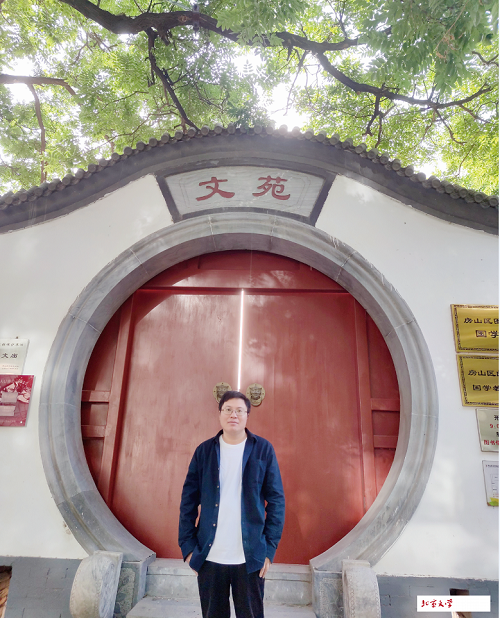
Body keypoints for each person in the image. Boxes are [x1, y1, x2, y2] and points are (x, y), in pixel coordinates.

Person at [179, 390, 285, 618]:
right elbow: (188, 500)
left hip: (250, 557)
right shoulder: (204, 451)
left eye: (239, 410)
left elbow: (276, 500)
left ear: (247, 415)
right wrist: (187, 547)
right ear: (220, 414)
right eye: (228, 409)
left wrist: (269, 549)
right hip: (209, 556)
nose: (233, 415)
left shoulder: (263, 450)